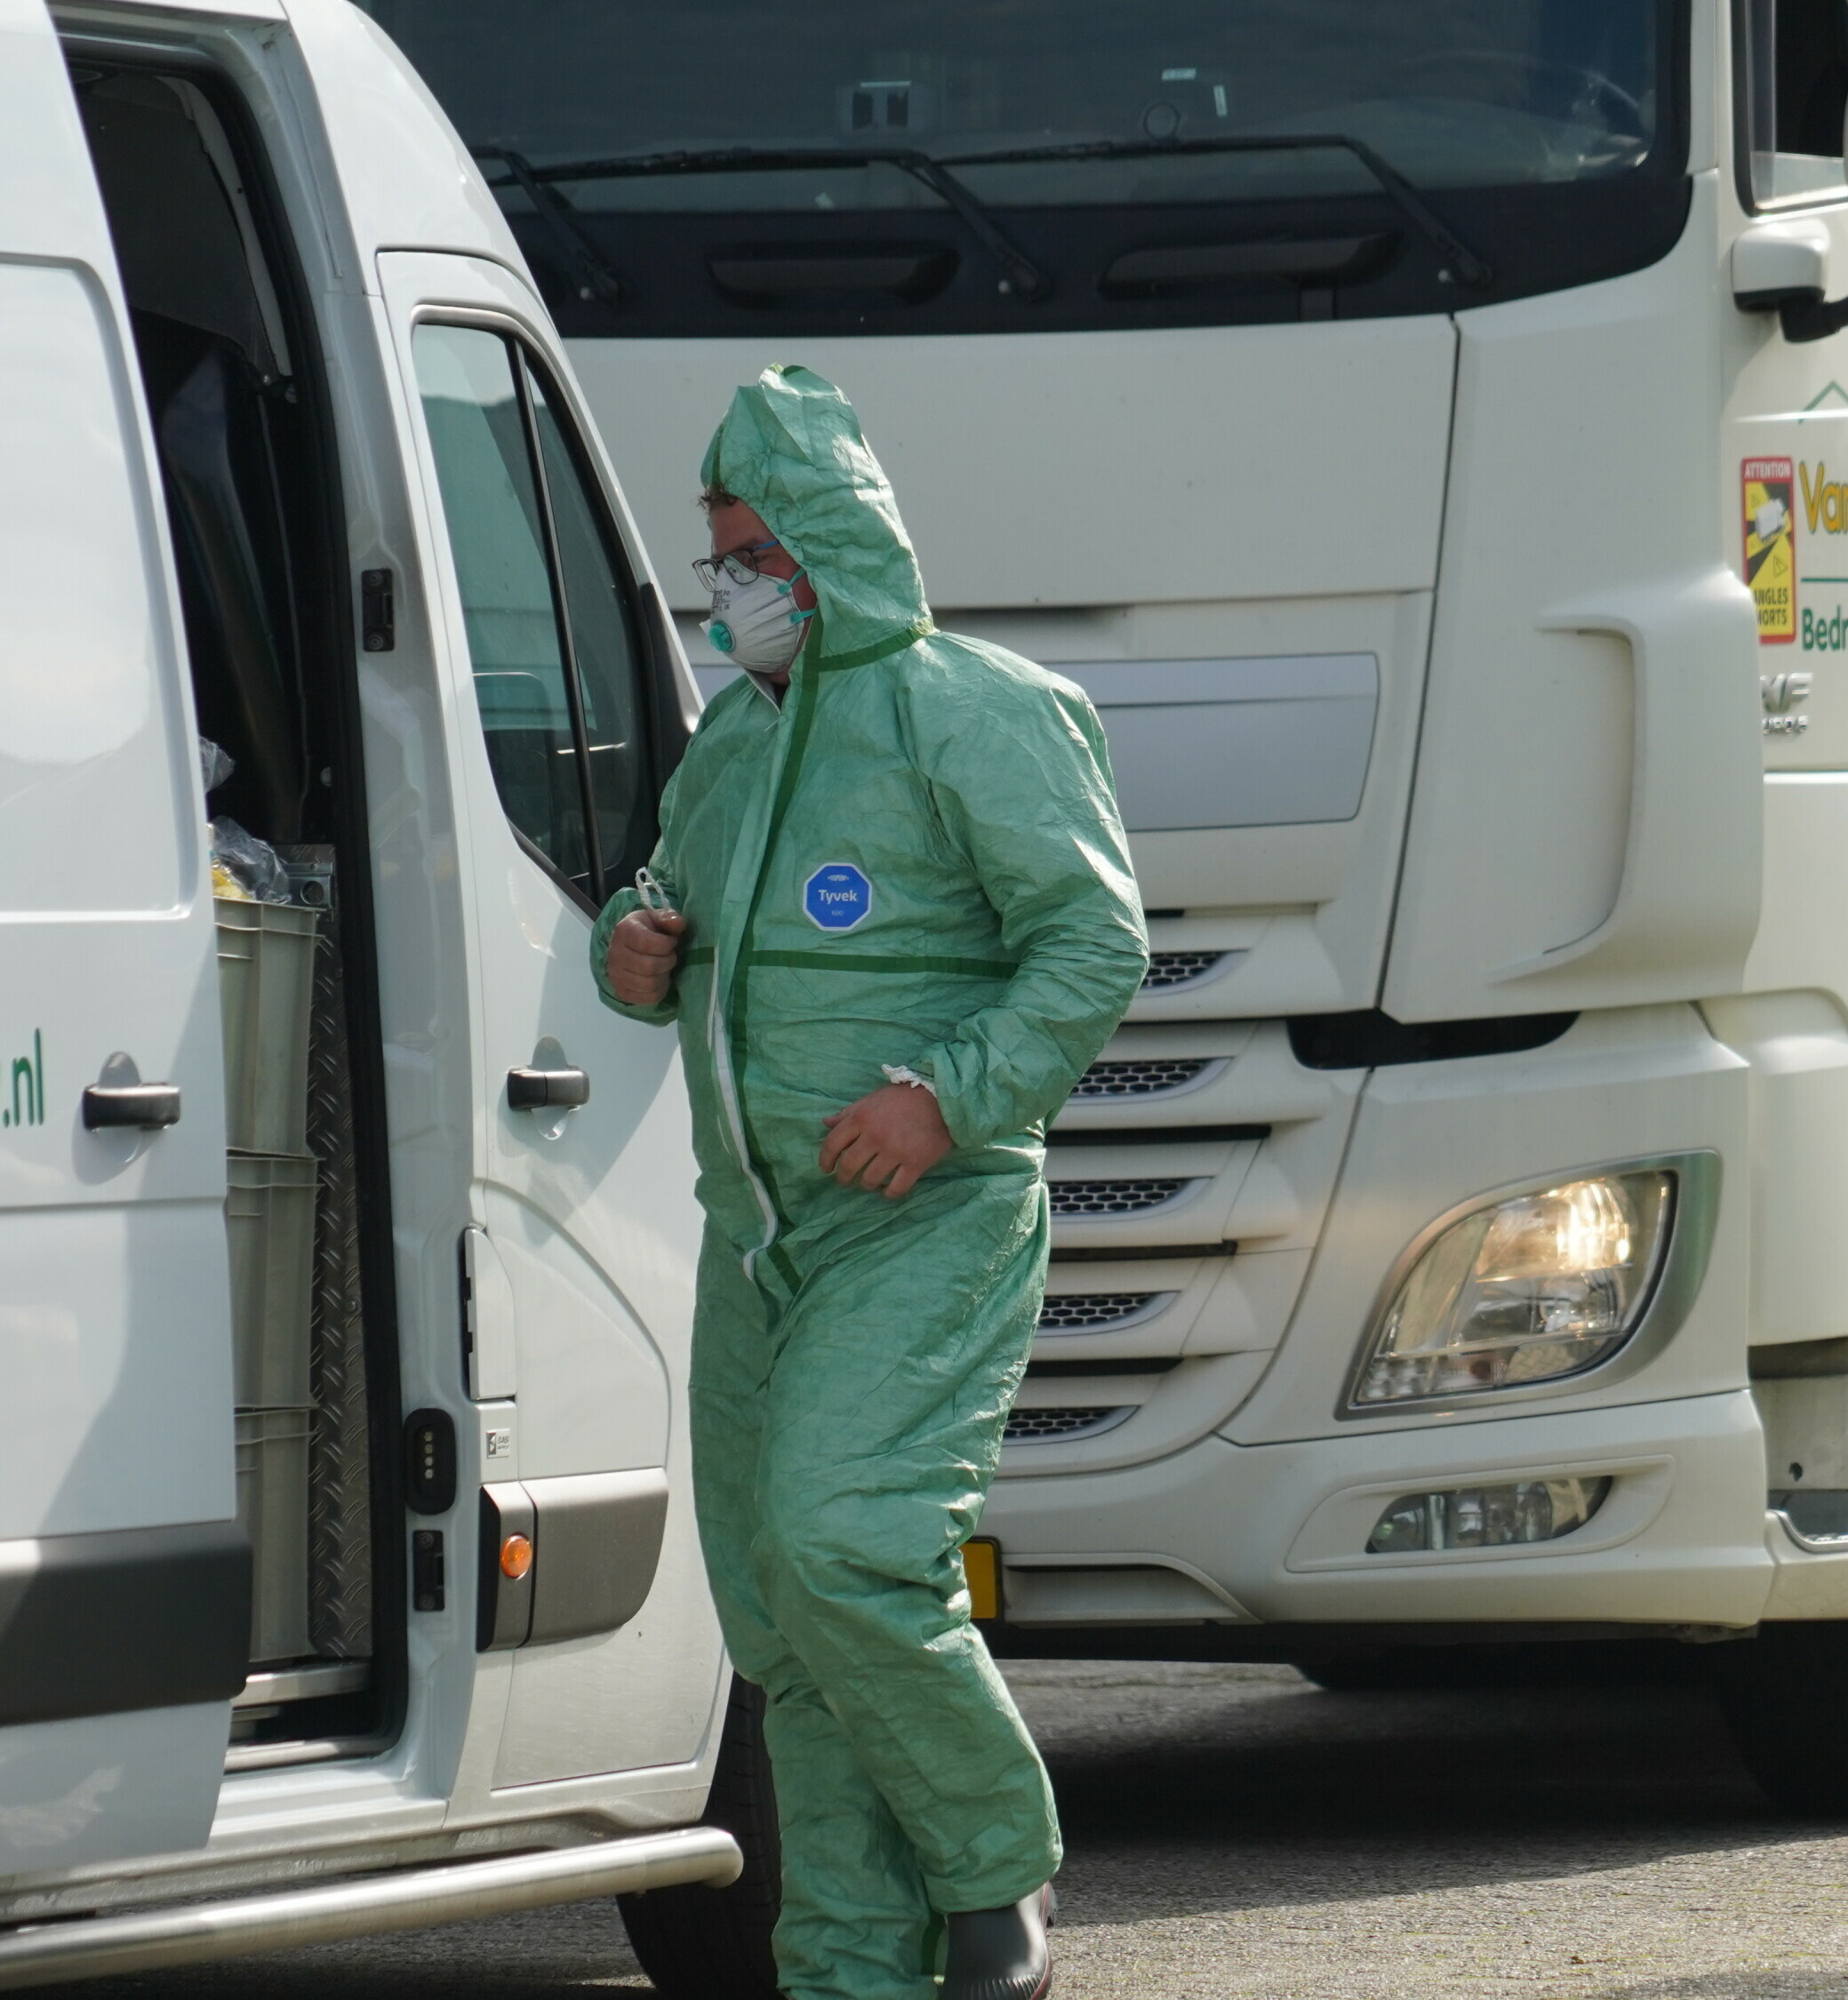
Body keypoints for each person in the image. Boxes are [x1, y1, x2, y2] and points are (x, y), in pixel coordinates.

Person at [596, 365, 1144, 2000]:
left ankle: (994, 1863)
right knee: (784, 1617)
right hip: (757, 1237)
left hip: (920, 1219)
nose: (730, 591)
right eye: (717, 559)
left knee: (846, 1544)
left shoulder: (976, 710)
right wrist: (636, 944)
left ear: (833, 543)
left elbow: (1093, 940)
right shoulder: (734, 745)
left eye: (753, 554)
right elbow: (664, 897)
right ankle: (850, 1968)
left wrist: (943, 1100)